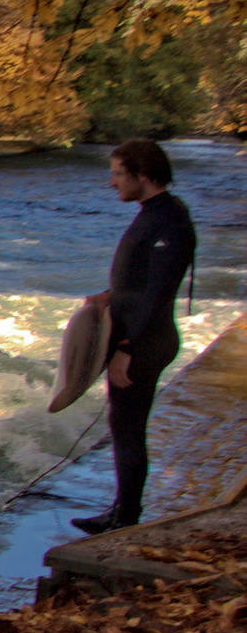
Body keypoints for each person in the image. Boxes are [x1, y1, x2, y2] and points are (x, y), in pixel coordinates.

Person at [71, 141, 197, 535]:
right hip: (136, 335)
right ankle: (121, 510)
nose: (111, 183)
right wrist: (109, 297)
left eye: (117, 174)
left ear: (142, 174)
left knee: (127, 427)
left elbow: (159, 293)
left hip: (146, 341)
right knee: (122, 424)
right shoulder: (154, 214)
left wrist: (127, 348)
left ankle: (125, 517)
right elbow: (141, 282)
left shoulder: (171, 221)